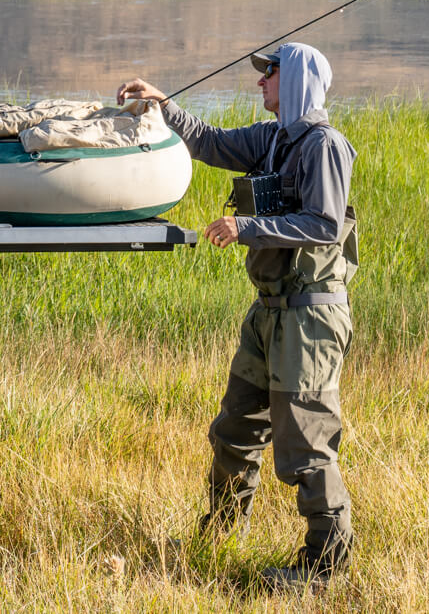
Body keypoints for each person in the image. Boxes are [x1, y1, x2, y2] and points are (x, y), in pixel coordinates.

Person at [116, 42, 358, 590]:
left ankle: (326, 571)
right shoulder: (272, 139)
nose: (259, 83)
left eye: (267, 74)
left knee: (305, 445)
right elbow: (211, 143)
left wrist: (245, 228)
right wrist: (163, 105)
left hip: (310, 320)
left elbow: (323, 225)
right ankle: (221, 537)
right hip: (269, 313)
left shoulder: (326, 147)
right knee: (235, 429)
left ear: (293, 80)